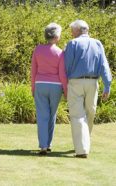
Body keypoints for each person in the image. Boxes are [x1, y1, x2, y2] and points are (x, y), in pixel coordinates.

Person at [64, 20, 112, 158]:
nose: (71, 33)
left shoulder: (72, 44)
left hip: (75, 82)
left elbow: (67, 66)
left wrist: (65, 82)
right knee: (90, 112)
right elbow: (104, 64)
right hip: (92, 83)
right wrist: (107, 85)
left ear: (78, 31)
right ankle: (83, 146)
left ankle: (82, 147)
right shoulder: (97, 43)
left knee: (78, 115)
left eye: (72, 31)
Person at [31, 23, 68, 155]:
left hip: (40, 84)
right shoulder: (60, 53)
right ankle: (49, 143)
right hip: (56, 86)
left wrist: (33, 87)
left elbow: (33, 71)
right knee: (52, 115)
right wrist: (66, 90)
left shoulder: (37, 49)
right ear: (57, 37)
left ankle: (43, 146)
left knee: (42, 116)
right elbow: (62, 74)